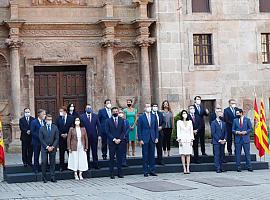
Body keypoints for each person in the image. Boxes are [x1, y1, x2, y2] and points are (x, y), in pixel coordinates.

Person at [137, 103, 159, 177]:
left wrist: (156, 137)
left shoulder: (154, 116)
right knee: (145, 155)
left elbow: (156, 128)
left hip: (152, 137)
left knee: (152, 155)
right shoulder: (141, 117)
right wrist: (140, 139)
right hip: (145, 138)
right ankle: (145, 171)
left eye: (149, 106)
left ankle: (152, 170)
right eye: (147, 107)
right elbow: (139, 129)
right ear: (144, 108)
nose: (149, 108)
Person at [105, 107, 126, 179]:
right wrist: (114, 139)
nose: (115, 113)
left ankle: (120, 173)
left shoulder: (121, 120)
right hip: (112, 142)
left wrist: (119, 139)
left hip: (120, 142)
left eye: (116, 111)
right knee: (111, 158)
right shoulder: (108, 121)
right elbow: (107, 132)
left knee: (119, 158)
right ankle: (111, 173)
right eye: (114, 111)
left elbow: (123, 131)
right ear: (111, 112)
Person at [39, 114, 59, 183]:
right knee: (44, 162)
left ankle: (52, 177)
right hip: (45, 148)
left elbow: (57, 138)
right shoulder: (42, 128)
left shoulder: (55, 127)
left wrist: (53, 146)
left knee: (52, 162)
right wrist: (47, 147)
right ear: (45, 120)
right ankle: (44, 177)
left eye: (50, 119)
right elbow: (41, 139)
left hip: (53, 148)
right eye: (48, 119)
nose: (49, 121)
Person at [80, 104, 101, 169]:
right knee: (87, 151)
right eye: (87, 108)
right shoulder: (82, 116)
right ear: (85, 109)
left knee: (95, 151)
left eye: (90, 108)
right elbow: (80, 127)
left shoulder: (95, 116)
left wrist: (99, 135)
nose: (89, 109)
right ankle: (87, 165)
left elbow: (99, 126)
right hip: (85, 137)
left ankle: (96, 164)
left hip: (94, 136)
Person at [56, 106, 74, 171]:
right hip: (61, 139)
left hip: (69, 139)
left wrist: (67, 134)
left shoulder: (71, 118)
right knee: (61, 153)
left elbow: (72, 127)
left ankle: (71, 166)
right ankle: (62, 166)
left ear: (65, 111)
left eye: (61, 111)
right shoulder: (58, 119)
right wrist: (61, 134)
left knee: (70, 153)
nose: (60, 113)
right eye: (60, 111)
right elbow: (56, 127)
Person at [177, 110, 194, 174]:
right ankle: (184, 168)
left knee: (188, 154)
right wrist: (179, 140)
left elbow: (191, 131)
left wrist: (192, 139)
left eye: (185, 113)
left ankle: (188, 168)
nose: (184, 114)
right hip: (182, 140)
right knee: (183, 154)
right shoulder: (179, 122)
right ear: (181, 115)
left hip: (188, 139)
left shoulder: (190, 122)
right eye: (183, 113)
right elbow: (178, 131)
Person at [30, 109, 46, 173]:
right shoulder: (34, 122)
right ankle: (36, 168)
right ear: (39, 114)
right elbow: (32, 132)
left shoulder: (45, 122)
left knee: (44, 156)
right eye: (43, 114)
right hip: (36, 142)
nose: (44, 115)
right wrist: (40, 137)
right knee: (36, 156)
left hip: (44, 143)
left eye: (45, 114)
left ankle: (44, 168)